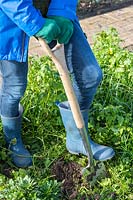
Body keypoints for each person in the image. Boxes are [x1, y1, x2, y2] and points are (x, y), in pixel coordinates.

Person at [0, 0, 115, 168]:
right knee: (14, 86)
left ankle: (77, 138)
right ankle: (13, 141)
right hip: (10, 12)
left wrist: (62, 12)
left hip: (53, 5)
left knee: (90, 75)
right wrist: (36, 24)